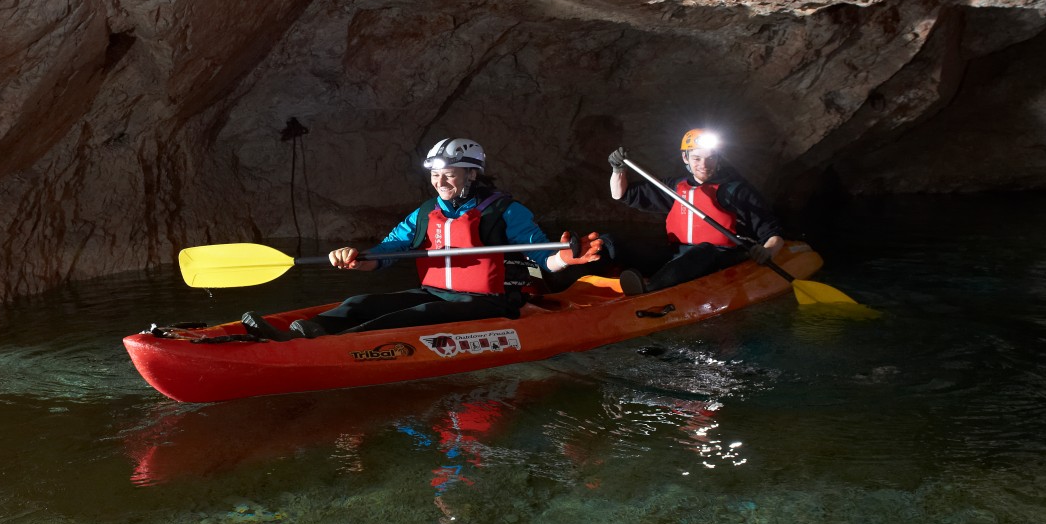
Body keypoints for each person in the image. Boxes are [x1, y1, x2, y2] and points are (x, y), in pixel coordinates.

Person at [242, 137, 602, 340]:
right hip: (435, 290)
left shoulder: (505, 210)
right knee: (360, 301)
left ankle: (323, 344)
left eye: (449, 175)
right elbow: (391, 248)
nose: (440, 182)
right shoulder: (426, 211)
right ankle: (306, 330)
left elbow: (542, 256)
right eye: (435, 175)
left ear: (471, 175)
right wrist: (357, 255)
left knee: (421, 314)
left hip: (487, 302)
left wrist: (566, 258)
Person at [607, 129, 784, 296]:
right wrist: (618, 169)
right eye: (697, 158)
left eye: (710, 158)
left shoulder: (737, 190)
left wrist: (767, 251)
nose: (704, 165)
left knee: (704, 250)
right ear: (685, 157)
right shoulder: (675, 186)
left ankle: (650, 291)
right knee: (614, 242)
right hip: (680, 256)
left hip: (721, 258)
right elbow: (620, 194)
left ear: (718, 159)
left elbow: (773, 234)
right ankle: (602, 267)